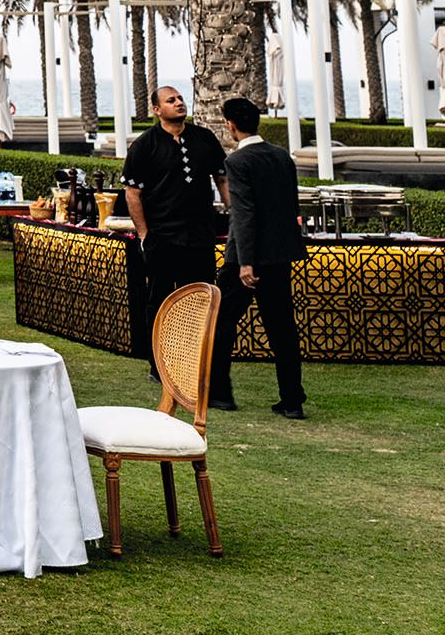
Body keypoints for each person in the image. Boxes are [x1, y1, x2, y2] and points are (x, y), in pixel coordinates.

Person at [209, 97, 306, 418]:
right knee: (282, 328)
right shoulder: (282, 156)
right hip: (279, 255)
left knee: (222, 322)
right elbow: (291, 206)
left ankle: (220, 393)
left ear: (230, 125)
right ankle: (292, 399)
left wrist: (247, 262)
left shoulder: (237, 162)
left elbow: (244, 213)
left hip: (245, 257)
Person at [120, 85, 228, 359]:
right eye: (171, 100)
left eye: (180, 98)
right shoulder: (145, 145)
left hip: (201, 237)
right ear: (157, 110)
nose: (179, 103)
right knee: (160, 301)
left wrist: (235, 215)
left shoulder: (204, 138)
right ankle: (159, 364)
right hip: (162, 238)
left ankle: (194, 362)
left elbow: (222, 178)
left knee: (200, 300)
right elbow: (132, 193)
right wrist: (144, 236)